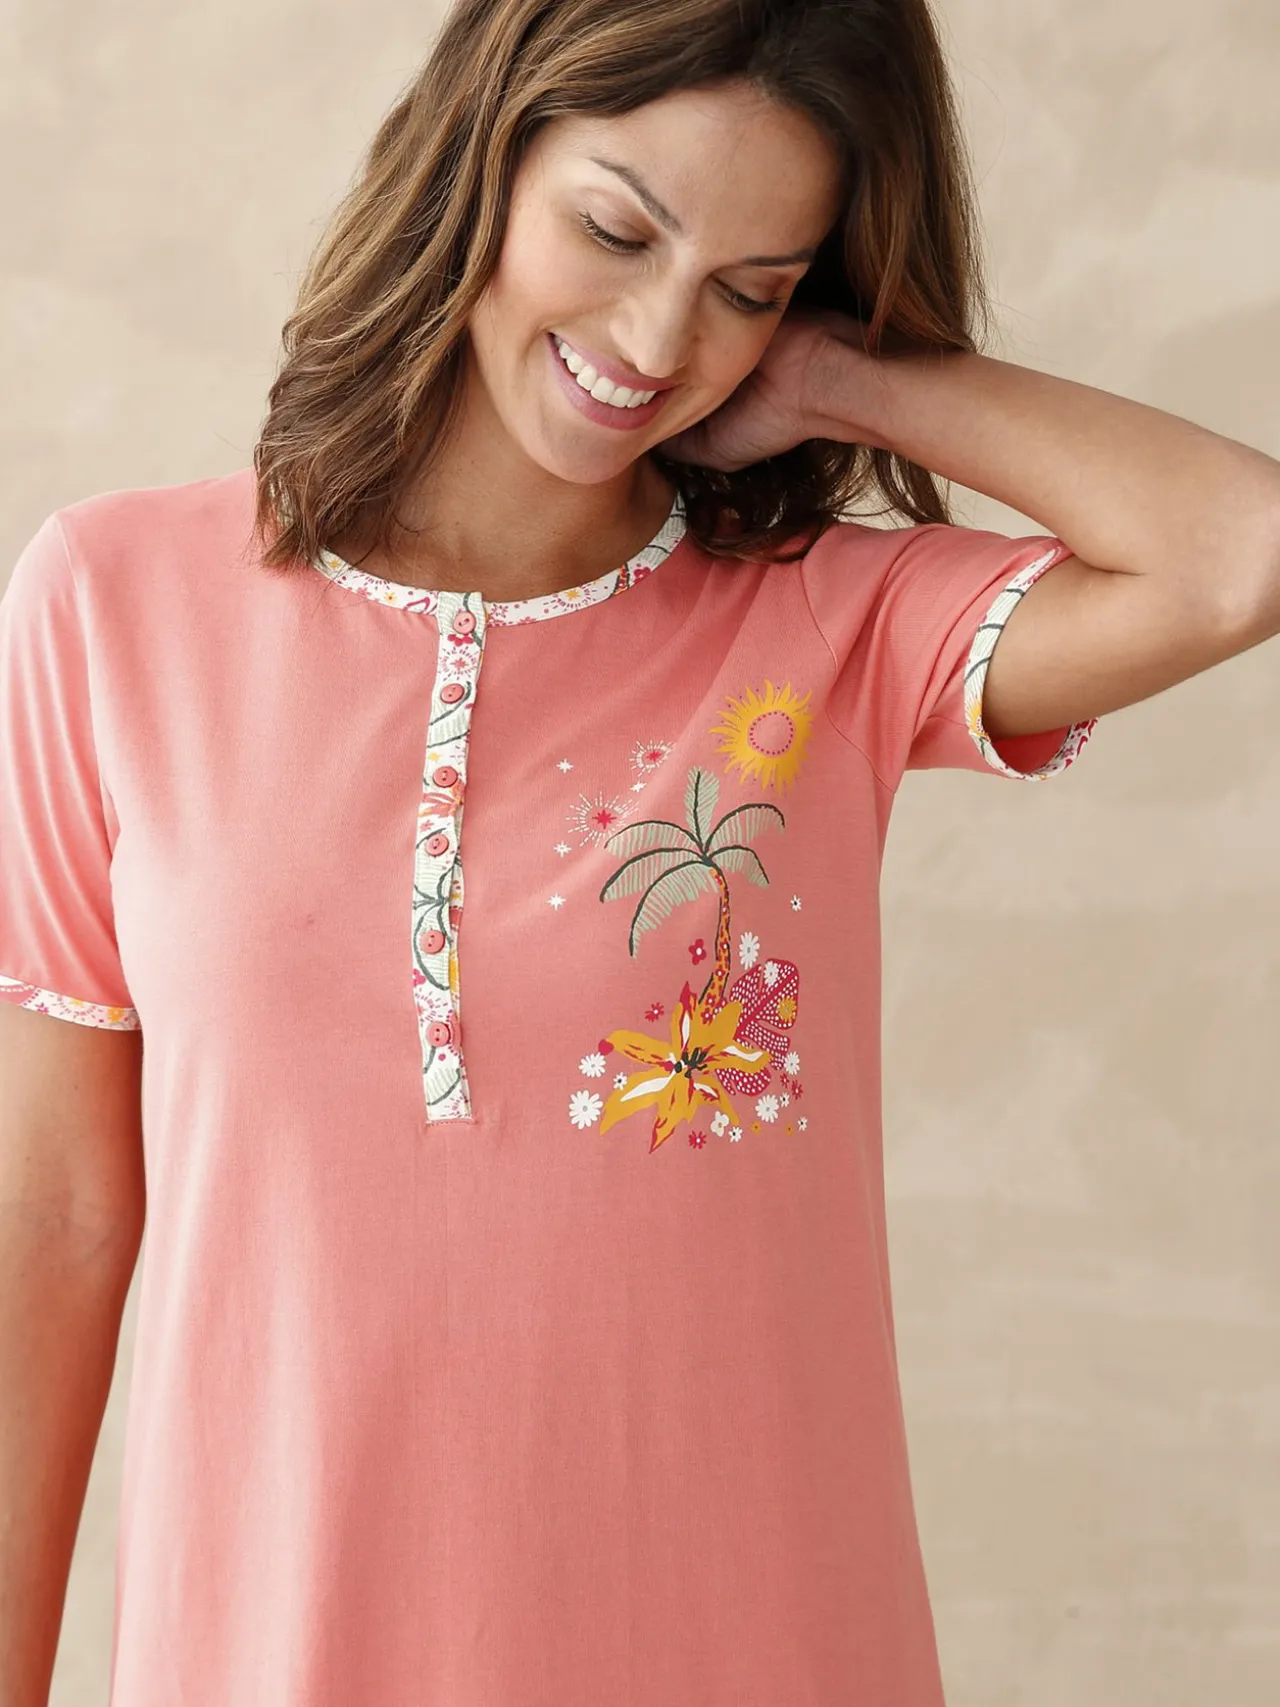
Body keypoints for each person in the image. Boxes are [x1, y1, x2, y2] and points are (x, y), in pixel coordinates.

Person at [2, 1, 1277, 1703]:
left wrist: (840, 374)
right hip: (280, 1652)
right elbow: (56, 1217)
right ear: (483, 157)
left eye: (749, 285)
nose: (659, 336)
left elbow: (1239, 556)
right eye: (617, 231)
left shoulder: (829, 626)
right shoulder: (114, 606)